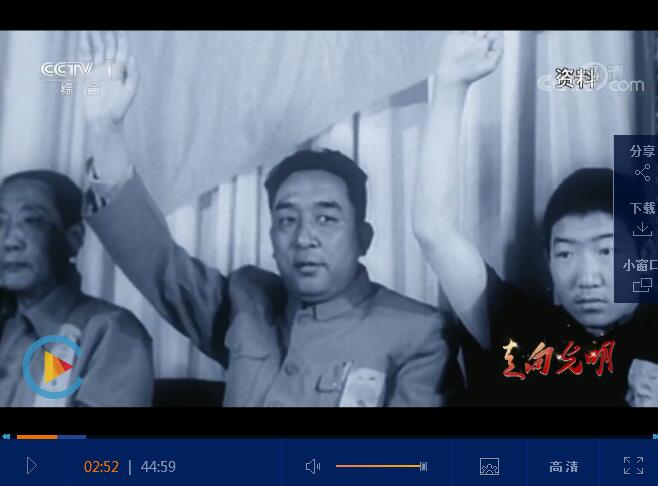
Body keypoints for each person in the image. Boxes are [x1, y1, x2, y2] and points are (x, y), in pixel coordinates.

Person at [80, 31, 462, 407]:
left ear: (364, 238)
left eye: (326, 219)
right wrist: (105, 130)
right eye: (287, 220)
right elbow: (159, 264)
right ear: (272, 240)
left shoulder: (419, 334)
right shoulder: (249, 303)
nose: (304, 237)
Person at [413, 30, 658, 406]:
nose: (587, 278)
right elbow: (434, 231)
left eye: (608, 251)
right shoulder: (520, 327)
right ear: (548, 259)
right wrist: (450, 85)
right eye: (566, 253)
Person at [0, 170, 153, 407]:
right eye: (0, 222)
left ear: (74, 237)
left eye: (31, 221)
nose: (9, 241)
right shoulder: (5, 324)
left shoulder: (111, 332)